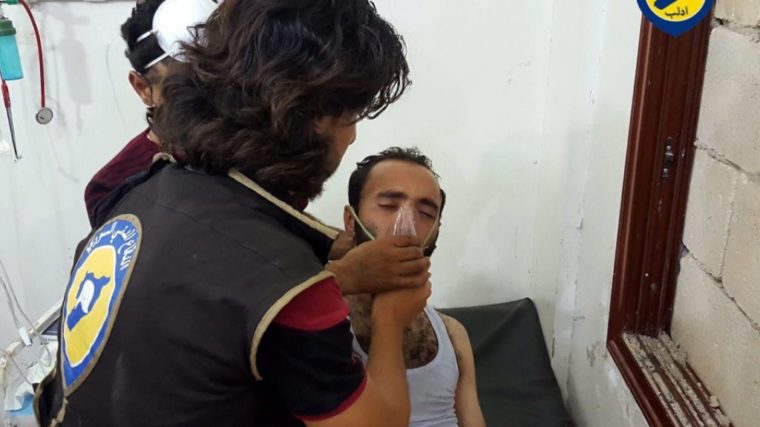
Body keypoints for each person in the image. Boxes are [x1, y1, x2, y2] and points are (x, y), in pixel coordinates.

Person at [34, 1, 429, 426]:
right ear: (312, 116)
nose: (351, 137)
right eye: (350, 117)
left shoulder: (144, 191)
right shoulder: (285, 282)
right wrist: (391, 316)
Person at [343, 147, 487, 427]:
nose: (406, 225)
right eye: (389, 206)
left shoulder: (453, 335)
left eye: (425, 212)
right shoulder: (323, 324)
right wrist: (389, 317)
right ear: (351, 221)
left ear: (436, 231)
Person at [83, 0, 218, 226]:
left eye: (218, 79)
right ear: (142, 88)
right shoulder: (114, 185)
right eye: (185, 85)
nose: (211, 97)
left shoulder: (255, 152)